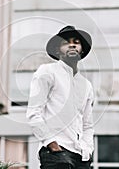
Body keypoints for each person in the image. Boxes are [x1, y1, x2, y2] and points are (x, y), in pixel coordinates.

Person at [26, 25, 95, 169]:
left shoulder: (87, 85)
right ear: (58, 50)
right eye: (65, 42)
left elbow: (87, 124)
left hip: (80, 156)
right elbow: (33, 114)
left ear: (82, 49)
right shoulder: (47, 72)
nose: (71, 44)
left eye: (76, 42)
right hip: (56, 152)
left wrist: (88, 150)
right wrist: (53, 145)